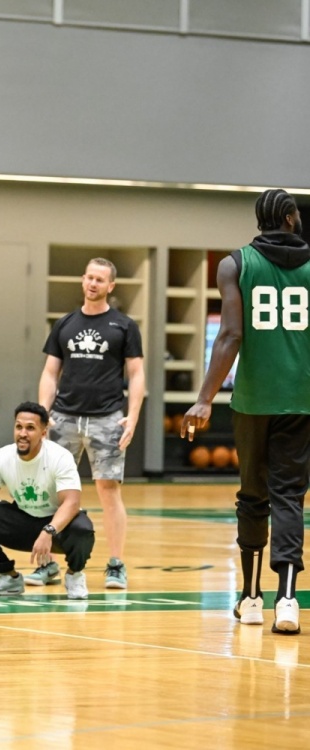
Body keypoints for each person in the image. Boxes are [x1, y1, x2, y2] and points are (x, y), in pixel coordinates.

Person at [181, 188, 310, 635]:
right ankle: (288, 600)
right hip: (302, 400)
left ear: (260, 221)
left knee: (253, 495)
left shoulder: (235, 264)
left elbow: (231, 335)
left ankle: (251, 597)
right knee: (289, 496)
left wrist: (204, 397)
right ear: (291, 218)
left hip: (254, 401)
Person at [38, 258, 145, 589]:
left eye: (100, 279)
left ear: (110, 286)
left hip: (107, 418)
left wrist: (133, 416)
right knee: (53, 492)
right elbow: (50, 372)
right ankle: (48, 564)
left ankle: (115, 564)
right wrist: (43, 414)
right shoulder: (65, 324)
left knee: (108, 490)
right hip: (65, 418)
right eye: (89, 277)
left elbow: (136, 373)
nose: (93, 283)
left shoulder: (124, 326)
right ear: (82, 281)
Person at [0, 402, 94, 599]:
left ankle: (75, 574)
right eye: (19, 427)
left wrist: (48, 531)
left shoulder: (59, 457)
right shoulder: (2, 457)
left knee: (83, 530)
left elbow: (72, 503)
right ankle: (8, 577)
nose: (23, 433)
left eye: (30, 428)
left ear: (43, 432)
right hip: (23, 521)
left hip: (58, 526)